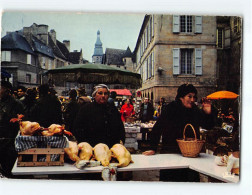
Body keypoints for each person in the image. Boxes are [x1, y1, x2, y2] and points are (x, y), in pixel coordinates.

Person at [142, 84, 217, 182]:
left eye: (194, 97)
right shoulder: (170, 108)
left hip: (191, 154)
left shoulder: (195, 110)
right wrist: (152, 148)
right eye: (189, 96)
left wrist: (207, 113)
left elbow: (208, 126)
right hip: (171, 153)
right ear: (181, 97)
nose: (192, 99)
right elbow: (157, 128)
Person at [73, 84, 125, 148]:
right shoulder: (86, 109)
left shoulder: (113, 109)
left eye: (105, 94)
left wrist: (120, 141)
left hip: (110, 148)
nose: (103, 96)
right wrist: (84, 143)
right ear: (94, 95)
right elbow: (77, 127)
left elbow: (120, 127)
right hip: (91, 147)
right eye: (100, 93)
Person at [0, 81, 24, 177]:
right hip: (1, 138)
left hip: (10, 140)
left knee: (9, 165)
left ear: (6, 90)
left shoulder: (16, 103)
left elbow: (22, 120)